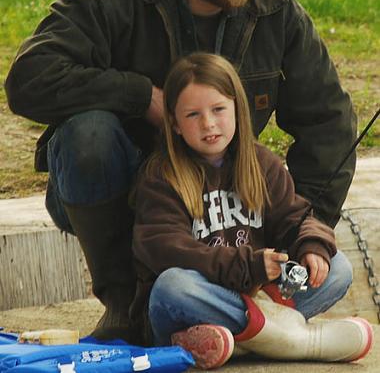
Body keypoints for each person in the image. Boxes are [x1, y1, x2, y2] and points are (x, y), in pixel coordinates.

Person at [4, 0, 356, 342]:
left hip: (232, 220)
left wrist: (302, 240)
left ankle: (236, 324)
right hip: (137, 206)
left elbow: (329, 123)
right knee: (87, 134)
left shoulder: (277, 12)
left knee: (338, 269)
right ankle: (129, 307)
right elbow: (28, 79)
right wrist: (140, 96)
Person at [131, 52, 372, 369]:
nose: (208, 123)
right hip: (198, 301)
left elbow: (293, 217)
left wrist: (311, 244)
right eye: (193, 115)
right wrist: (248, 266)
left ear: (237, 109)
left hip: (258, 297)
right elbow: (166, 249)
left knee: (338, 267)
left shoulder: (261, 163)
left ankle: (239, 341)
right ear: (174, 123)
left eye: (218, 109)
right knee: (172, 286)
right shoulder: (162, 176)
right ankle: (294, 340)